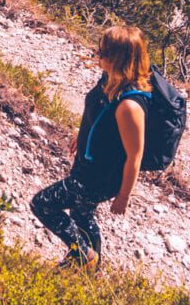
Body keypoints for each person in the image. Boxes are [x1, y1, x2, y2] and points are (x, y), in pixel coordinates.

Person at [32, 25, 151, 269]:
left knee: (42, 204)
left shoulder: (130, 105)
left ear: (119, 58)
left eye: (104, 52)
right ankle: (91, 270)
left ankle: (83, 255)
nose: (98, 55)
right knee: (81, 215)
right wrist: (83, 133)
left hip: (96, 180)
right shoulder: (109, 82)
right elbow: (99, 118)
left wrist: (124, 196)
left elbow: (134, 156)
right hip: (88, 169)